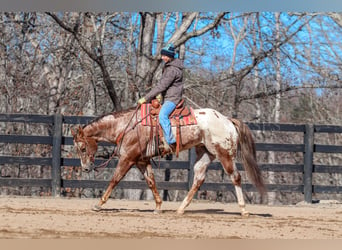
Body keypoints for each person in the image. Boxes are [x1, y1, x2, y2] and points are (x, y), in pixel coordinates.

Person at [138, 43, 184, 153]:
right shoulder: (170, 66)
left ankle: (170, 141)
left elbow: (162, 85)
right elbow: (164, 86)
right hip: (168, 97)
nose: (163, 57)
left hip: (172, 98)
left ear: (170, 56)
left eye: (165, 55)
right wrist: (159, 96)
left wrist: (146, 98)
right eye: (162, 55)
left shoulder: (172, 69)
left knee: (163, 115)